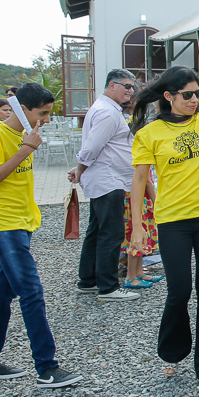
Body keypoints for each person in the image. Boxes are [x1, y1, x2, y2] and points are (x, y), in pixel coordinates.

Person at [129, 38, 199, 390]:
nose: (195, 100)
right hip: (172, 221)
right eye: (187, 95)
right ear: (169, 96)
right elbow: (137, 182)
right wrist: (137, 227)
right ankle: (171, 351)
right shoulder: (149, 133)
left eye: (197, 93)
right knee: (179, 290)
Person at [0, 82, 82, 388]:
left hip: (21, 221)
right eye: (42, 113)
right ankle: (47, 367)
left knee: (3, 293)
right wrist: (26, 149)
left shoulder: (24, 135)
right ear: (24, 108)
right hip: (2, 222)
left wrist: (26, 145)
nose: (45, 120)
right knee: (31, 291)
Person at [68, 69, 139, 302]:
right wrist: (79, 169)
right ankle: (108, 287)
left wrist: (81, 169)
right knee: (111, 233)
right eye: (126, 86)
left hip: (108, 178)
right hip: (108, 179)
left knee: (97, 231)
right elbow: (91, 147)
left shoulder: (105, 109)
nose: (130, 91)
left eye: (132, 87)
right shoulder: (107, 112)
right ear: (111, 85)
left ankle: (88, 280)